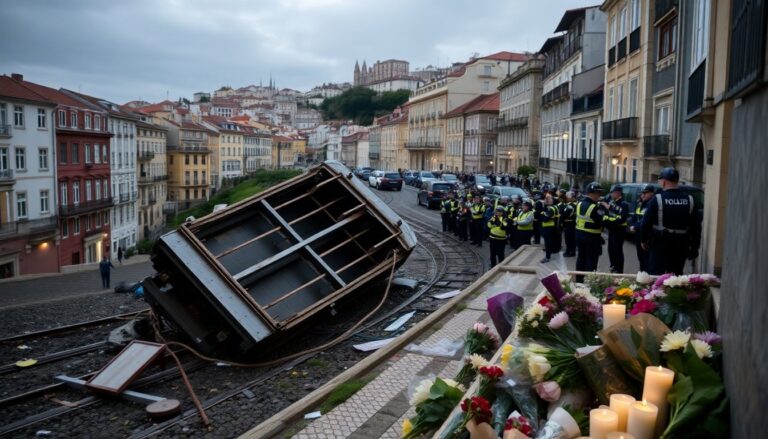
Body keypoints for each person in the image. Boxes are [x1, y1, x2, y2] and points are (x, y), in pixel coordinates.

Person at [640, 168, 702, 275]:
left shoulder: (658, 199)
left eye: (660, 180)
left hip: (660, 244)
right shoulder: (689, 199)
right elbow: (696, 227)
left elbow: (646, 223)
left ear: (663, 182)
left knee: (656, 274)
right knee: (676, 275)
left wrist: (643, 240)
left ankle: (657, 292)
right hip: (681, 244)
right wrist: (695, 247)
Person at [575, 182, 607, 282]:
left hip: (579, 235)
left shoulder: (579, 203)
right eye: (598, 193)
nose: (599, 195)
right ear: (591, 193)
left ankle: (579, 281)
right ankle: (589, 283)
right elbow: (602, 220)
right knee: (591, 261)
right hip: (591, 238)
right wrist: (605, 209)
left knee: (581, 259)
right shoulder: (594, 207)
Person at [601, 184, 630, 273]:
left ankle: (619, 270)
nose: (611, 195)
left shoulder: (623, 204)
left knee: (617, 251)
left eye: (612, 193)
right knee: (611, 250)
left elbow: (621, 217)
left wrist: (610, 207)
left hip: (619, 230)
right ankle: (613, 266)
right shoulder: (612, 202)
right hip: (612, 229)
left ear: (618, 193)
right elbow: (607, 212)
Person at [629, 184, 654, 272]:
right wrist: (631, 225)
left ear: (651, 193)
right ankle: (643, 276)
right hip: (638, 235)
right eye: (642, 193)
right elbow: (634, 217)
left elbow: (647, 221)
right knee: (641, 258)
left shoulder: (652, 205)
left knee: (647, 259)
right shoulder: (640, 204)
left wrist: (634, 226)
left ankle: (648, 278)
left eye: (645, 193)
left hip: (647, 236)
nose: (642, 195)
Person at [539, 194, 559, 263]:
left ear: (552, 200)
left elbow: (544, 219)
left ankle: (547, 257)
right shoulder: (550, 207)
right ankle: (550, 252)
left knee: (548, 242)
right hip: (550, 227)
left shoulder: (551, 209)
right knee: (549, 242)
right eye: (546, 199)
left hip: (549, 228)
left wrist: (542, 213)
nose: (546, 200)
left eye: (549, 199)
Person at [561, 191, 577, 257]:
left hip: (569, 224)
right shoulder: (576, 204)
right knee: (571, 239)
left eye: (568, 196)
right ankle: (570, 251)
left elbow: (564, 214)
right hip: (573, 223)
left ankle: (570, 252)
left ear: (572, 197)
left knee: (569, 239)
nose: (567, 198)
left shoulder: (570, 205)